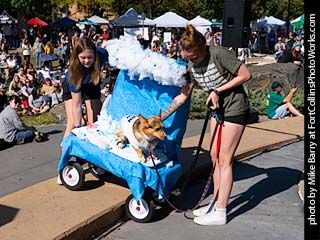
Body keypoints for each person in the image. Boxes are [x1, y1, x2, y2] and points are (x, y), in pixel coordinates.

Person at [160, 25, 251, 225]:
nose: (190, 61)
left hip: (234, 108)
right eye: (187, 58)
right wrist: (162, 116)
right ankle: (216, 202)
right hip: (217, 110)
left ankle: (221, 211)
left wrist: (217, 90)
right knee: (213, 156)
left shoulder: (219, 54)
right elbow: (183, 95)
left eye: (193, 57)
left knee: (224, 159)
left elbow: (245, 75)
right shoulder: (192, 66)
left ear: (202, 48)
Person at [64, 38, 108, 136]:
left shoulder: (102, 54)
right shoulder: (73, 73)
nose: (87, 61)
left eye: (90, 57)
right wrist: (79, 129)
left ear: (95, 55)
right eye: (83, 57)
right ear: (77, 56)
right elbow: (77, 104)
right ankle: (66, 149)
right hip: (76, 82)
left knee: (94, 122)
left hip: (92, 81)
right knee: (72, 124)